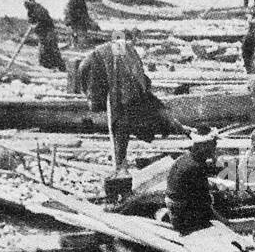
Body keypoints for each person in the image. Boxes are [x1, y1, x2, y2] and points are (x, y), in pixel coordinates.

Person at [78, 33, 186, 171]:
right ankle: (119, 165)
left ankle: (120, 163)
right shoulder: (133, 91)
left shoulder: (135, 75)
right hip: (95, 68)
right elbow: (119, 93)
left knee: (121, 119)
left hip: (97, 66)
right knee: (120, 123)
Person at [166, 126, 221, 234]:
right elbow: (205, 203)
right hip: (186, 219)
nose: (215, 148)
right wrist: (224, 222)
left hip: (176, 212)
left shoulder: (184, 159)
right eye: (213, 145)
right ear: (204, 146)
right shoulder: (195, 167)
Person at [23, 0, 65, 72]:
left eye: (26, 2)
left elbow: (44, 21)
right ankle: (47, 67)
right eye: (24, 2)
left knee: (51, 48)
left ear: (31, 1)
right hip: (41, 33)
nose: (25, 4)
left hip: (48, 32)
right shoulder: (30, 11)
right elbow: (31, 21)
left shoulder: (39, 9)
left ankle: (60, 68)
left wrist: (35, 26)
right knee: (43, 50)